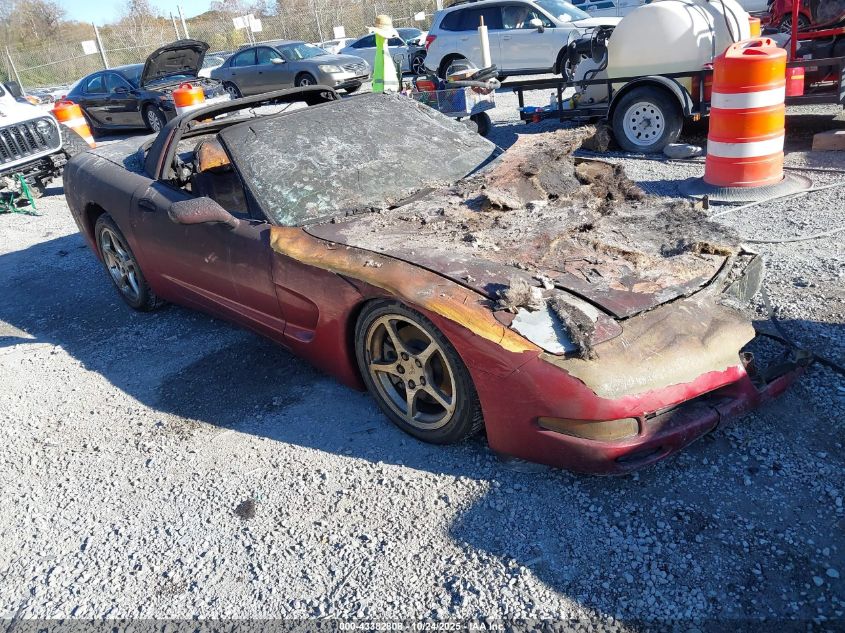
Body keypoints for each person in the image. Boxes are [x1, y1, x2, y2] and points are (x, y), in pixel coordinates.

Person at [370, 14, 400, 94]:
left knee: (383, 70)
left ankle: (387, 88)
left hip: (383, 90)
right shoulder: (382, 49)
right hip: (385, 90)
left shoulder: (381, 49)